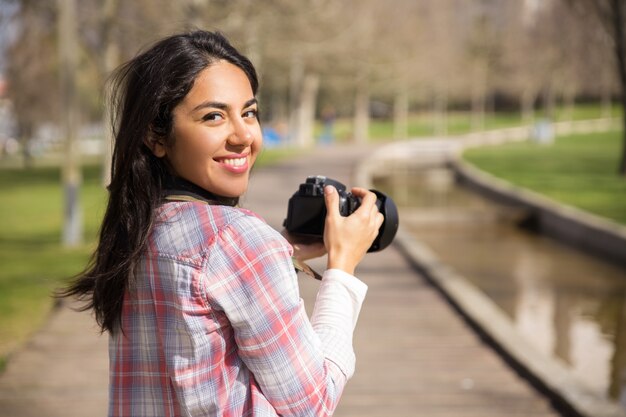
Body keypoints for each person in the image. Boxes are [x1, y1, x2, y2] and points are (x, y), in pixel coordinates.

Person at [60, 30, 383, 417]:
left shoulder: (135, 232)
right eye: (213, 116)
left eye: (248, 112)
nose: (244, 135)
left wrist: (282, 251)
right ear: (155, 136)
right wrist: (343, 267)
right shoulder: (238, 241)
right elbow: (312, 405)